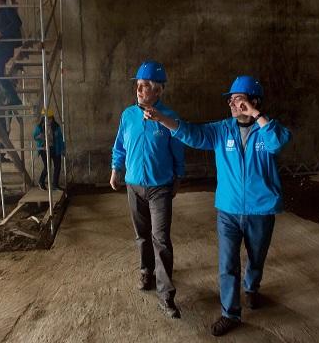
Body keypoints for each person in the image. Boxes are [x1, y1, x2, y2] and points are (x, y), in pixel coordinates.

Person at [144, 75, 291, 335]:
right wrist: (162, 119)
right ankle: (230, 313)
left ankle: (252, 288)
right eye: (231, 100)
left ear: (254, 101)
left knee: (256, 259)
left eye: (239, 99)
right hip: (228, 210)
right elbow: (191, 133)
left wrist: (256, 114)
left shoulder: (268, 128)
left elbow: (278, 143)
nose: (233, 105)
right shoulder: (222, 130)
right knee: (227, 264)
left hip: (261, 209)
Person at [111, 60, 185, 319]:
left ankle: (166, 296)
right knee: (142, 234)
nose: (139, 90)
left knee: (161, 240)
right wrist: (115, 168)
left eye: (144, 86)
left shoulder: (169, 118)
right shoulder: (128, 115)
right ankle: (146, 272)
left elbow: (178, 150)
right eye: (138, 86)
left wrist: (178, 177)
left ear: (158, 90)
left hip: (160, 188)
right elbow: (120, 144)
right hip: (133, 185)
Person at [33, 109, 65, 190]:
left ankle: (55, 184)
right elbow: (34, 137)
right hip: (44, 149)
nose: (48, 120)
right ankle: (41, 181)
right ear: (43, 118)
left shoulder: (56, 127)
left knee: (57, 166)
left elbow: (61, 139)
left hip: (55, 148)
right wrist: (39, 137)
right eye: (46, 118)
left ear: (52, 118)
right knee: (47, 167)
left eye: (50, 118)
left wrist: (63, 149)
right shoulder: (39, 127)